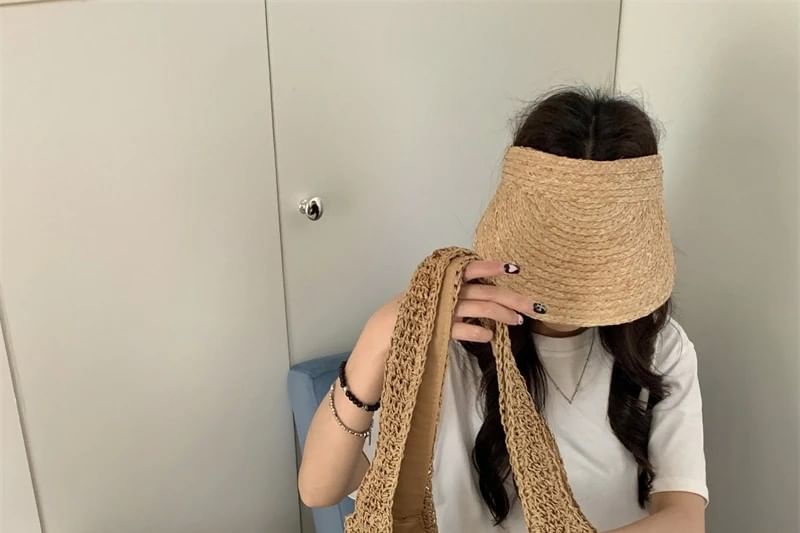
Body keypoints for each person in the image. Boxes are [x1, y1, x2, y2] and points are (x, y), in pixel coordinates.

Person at [298, 87, 708, 533]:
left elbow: (685, 519)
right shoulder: (448, 336)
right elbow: (320, 489)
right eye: (555, 250)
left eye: (594, 255)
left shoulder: (659, 347)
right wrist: (381, 335)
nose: (570, 281)